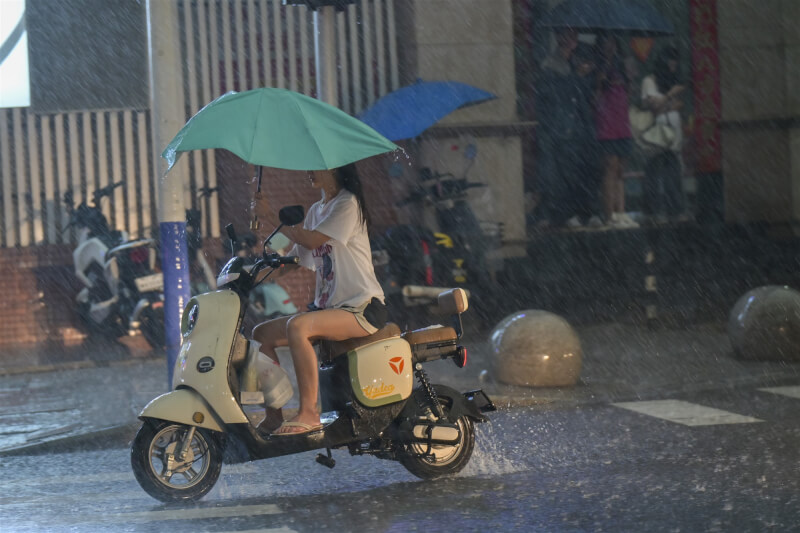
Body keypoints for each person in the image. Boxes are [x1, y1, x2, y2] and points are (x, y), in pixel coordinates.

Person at [251, 164, 387, 436]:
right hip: (332, 310)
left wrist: (269, 216)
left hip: (361, 306)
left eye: (316, 166)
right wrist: (254, 275)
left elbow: (312, 241)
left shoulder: (348, 203)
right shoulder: (316, 210)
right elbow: (296, 259)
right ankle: (274, 417)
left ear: (335, 168)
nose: (308, 171)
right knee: (260, 334)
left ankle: (309, 414)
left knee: (299, 327)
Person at [535, 28, 601, 229]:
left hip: (581, 128)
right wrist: (577, 78)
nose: (573, 40)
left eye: (575, 35)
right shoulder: (550, 65)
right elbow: (556, 97)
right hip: (561, 129)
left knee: (584, 172)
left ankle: (587, 212)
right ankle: (565, 213)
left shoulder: (578, 61)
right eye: (568, 35)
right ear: (559, 37)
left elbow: (583, 97)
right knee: (565, 174)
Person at [594, 32, 639, 229]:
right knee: (609, 168)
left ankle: (621, 212)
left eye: (611, 41)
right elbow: (593, 96)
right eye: (605, 42)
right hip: (606, 121)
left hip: (622, 121)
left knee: (621, 169)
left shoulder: (622, 64)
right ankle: (609, 214)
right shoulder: (597, 65)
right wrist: (601, 79)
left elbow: (630, 93)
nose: (608, 46)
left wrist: (629, 78)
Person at [641, 46, 689, 224]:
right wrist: (671, 102)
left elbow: (678, 103)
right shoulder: (650, 81)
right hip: (656, 132)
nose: (673, 64)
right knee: (653, 172)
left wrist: (666, 99)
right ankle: (652, 211)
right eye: (670, 60)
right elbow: (653, 106)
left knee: (673, 172)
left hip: (673, 131)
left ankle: (675, 210)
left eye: (675, 61)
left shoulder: (674, 82)